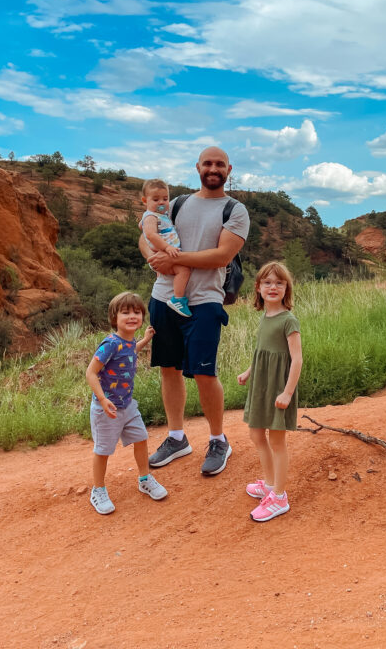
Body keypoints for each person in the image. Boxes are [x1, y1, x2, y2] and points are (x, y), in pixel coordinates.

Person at [143, 146, 250, 476]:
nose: (213, 168)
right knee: (169, 368)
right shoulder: (176, 204)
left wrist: (173, 259)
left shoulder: (235, 210)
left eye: (219, 164)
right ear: (198, 167)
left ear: (228, 169)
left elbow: (220, 256)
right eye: (208, 163)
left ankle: (219, 440)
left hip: (205, 301)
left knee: (204, 373)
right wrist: (152, 257)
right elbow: (145, 235)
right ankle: (177, 438)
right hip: (163, 298)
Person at [85, 292, 168, 515]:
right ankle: (98, 490)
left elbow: (131, 351)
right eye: (126, 312)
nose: (132, 316)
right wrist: (102, 400)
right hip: (107, 409)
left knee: (141, 438)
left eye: (137, 312)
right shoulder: (110, 343)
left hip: (128, 405)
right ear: (115, 317)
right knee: (102, 451)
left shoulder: (129, 342)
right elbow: (91, 373)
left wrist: (145, 339)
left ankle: (144, 479)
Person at [236, 261, 302, 522]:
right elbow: (262, 354)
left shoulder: (289, 320)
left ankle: (280, 496)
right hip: (261, 385)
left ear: (287, 289)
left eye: (279, 282)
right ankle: (269, 481)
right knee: (255, 434)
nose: (273, 287)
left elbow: (296, 359)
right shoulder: (265, 317)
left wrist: (287, 393)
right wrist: (248, 371)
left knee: (276, 440)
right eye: (267, 283)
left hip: (278, 387)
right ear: (258, 288)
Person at [139, 179, 192, 318]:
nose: (161, 202)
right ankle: (178, 299)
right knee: (184, 270)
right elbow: (150, 234)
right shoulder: (151, 217)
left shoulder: (158, 216)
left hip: (164, 253)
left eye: (165, 198)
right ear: (145, 201)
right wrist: (167, 248)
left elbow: (143, 227)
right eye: (156, 199)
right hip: (164, 253)